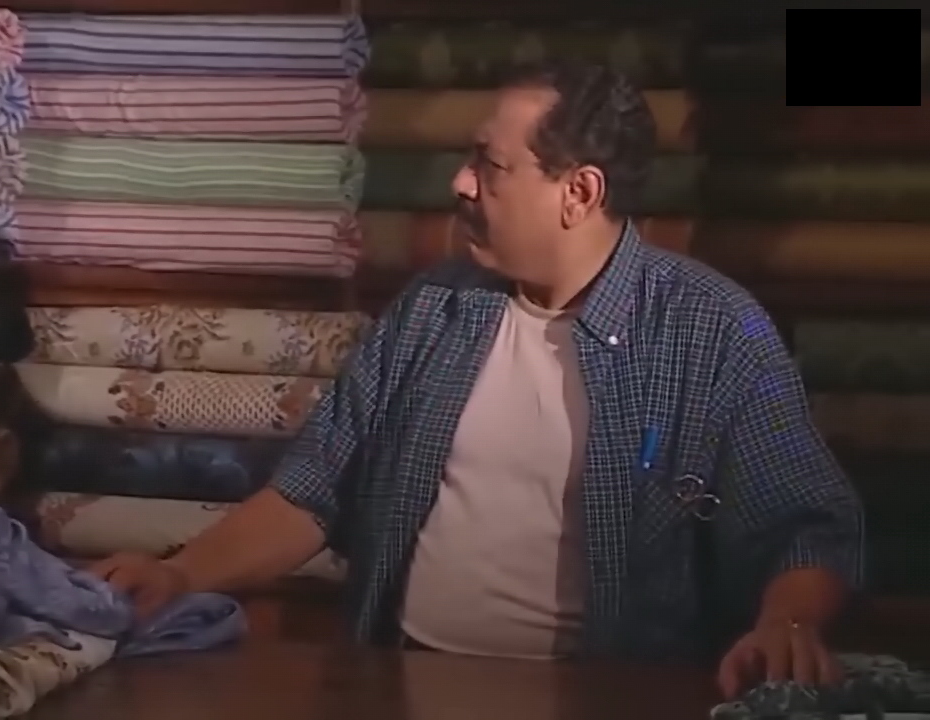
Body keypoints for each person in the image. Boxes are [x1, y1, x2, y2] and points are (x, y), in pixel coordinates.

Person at [91, 61, 863, 699]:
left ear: (579, 193)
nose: (462, 183)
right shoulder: (435, 307)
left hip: (607, 695)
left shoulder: (712, 329)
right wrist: (181, 574)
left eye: (491, 166)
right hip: (400, 680)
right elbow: (318, 486)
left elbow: (802, 523)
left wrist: (787, 624)